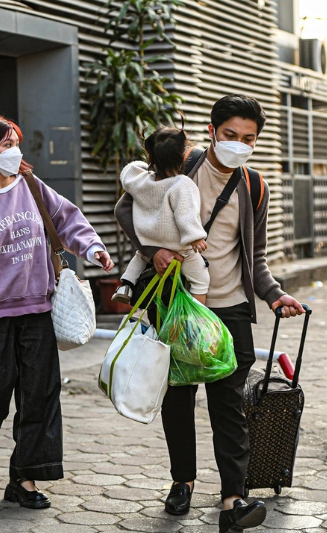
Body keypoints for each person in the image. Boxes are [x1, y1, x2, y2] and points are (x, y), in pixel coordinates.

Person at [116, 94, 304, 533]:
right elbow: (126, 208)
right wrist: (154, 250)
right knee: (178, 399)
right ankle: (182, 480)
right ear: (212, 131)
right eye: (231, 135)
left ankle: (232, 499)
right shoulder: (178, 166)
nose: (239, 144)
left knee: (230, 405)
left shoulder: (255, 186)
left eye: (249, 138)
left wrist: (274, 294)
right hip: (177, 303)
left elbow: (253, 258)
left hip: (229, 309)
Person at [0, 115, 114, 509]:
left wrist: (91, 247)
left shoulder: (32, 187)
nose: (15, 150)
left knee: (40, 396)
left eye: (16, 141)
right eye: (6, 144)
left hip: (36, 308)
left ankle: (25, 481)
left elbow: (68, 219)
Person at [112, 127, 209, 305]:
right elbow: (185, 215)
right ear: (182, 157)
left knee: (140, 257)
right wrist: (196, 237)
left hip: (150, 240)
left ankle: (126, 284)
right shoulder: (182, 184)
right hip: (180, 247)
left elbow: (130, 172)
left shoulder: (140, 181)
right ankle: (198, 319)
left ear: (150, 157)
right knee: (201, 279)